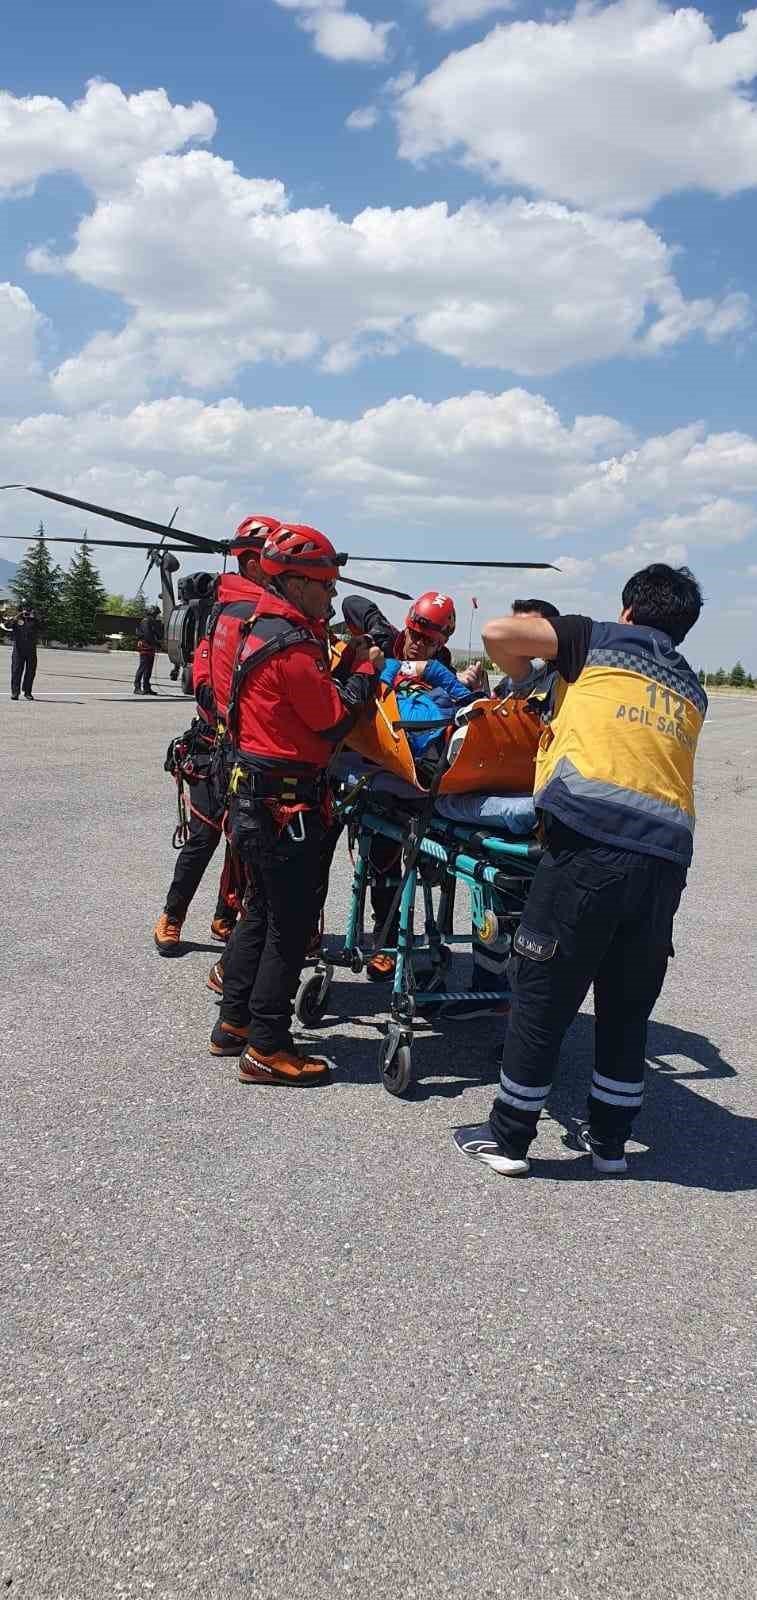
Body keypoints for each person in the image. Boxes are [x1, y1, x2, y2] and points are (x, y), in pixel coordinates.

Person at [457, 563, 706, 1179]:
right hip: (666, 862)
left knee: (544, 990)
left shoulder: (595, 639)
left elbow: (495, 634)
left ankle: (509, 1139)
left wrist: (524, 674)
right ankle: (611, 1146)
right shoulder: (690, 687)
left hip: (590, 849)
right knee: (626, 1004)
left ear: (627, 610)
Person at [210, 524, 383, 1086]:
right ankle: (269, 1045)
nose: (333, 596)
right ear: (300, 583)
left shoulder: (265, 628)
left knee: (260, 910)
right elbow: (332, 719)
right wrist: (362, 669)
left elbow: (300, 699)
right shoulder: (293, 643)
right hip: (285, 802)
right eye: (327, 585)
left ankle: (234, 1021)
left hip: (256, 793)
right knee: (289, 922)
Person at [153, 515, 280, 956]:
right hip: (216, 744)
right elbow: (206, 673)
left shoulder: (271, 611)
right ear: (250, 559)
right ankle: (172, 914)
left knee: (243, 841)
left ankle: (226, 916)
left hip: (250, 748)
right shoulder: (228, 610)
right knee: (204, 837)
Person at [342, 590, 480, 980]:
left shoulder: (442, 666)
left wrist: (449, 679)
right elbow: (351, 602)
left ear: (443, 641)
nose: (418, 642)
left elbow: (467, 706)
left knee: (431, 859)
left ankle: (428, 934)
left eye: (428, 639)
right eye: (414, 633)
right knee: (382, 860)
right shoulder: (387, 643)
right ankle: (383, 940)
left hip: (422, 774)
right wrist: (375, 637)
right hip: (380, 766)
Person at [443, 597, 562, 1022]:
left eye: (524, 629)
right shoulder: (513, 684)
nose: (514, 636)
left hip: (527, 810)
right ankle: (490, 992)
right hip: (504, 804)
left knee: (524, 921)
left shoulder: (551, 680)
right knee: (492, 905)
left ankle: (518, 1009)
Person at [3, 605, 42, 700]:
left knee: (30, 672)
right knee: (16, 671)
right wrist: (17, 616)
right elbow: (6, 625)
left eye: (28, 610)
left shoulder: (34, 620)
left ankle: (27, 692)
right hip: (18, 650)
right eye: (24, 610)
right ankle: (15, 693)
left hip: (31, 650)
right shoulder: (16, 619)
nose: (26, 613)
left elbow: (43, 628)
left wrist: (36, 617)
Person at [133, 606, 164, 695]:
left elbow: (157, 633)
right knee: (142, 667)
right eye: (156, 613)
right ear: (152, 612)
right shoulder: (146, 621)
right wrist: (156, 643)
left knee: (149, 669)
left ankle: (147, 688)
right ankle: (137, 687)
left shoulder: (152, 621)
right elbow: (148, 635)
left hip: (150, 647)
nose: (157, 615)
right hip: (145, 647)